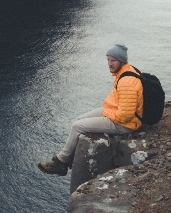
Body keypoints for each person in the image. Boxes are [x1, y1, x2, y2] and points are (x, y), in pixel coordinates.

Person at [38, 43, 143, 176]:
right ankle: (70, 158)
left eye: (113, 60)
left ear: (122, 61)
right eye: (108, 60)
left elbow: (125, 116)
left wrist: (106, 115)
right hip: (117, 113)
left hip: (126, 124)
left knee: (77, 126)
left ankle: (61, 163)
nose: (110, 64)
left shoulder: (126, 82)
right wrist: (107, 112)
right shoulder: (125, 72)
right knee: (80, 119)